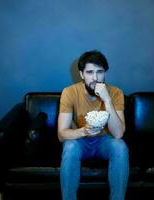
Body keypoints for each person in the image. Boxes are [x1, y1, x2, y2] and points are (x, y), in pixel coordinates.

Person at [58, 50, 129, 200]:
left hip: (104, 141)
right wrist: (84, 131)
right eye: (89, 72)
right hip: (80, 142)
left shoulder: (115, 92)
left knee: (120, 145)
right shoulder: (69, 92)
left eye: (100, 72)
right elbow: (62, 134)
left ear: (105, 73)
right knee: (70, 146)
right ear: (82, 74)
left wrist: (107, 99)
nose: (95, 78)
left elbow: (118, 134)